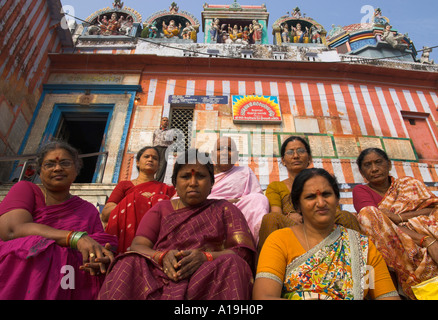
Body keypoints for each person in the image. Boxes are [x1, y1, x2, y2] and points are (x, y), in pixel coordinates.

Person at [98, 149, 256, 300]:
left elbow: (242, 253)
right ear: (174, 182)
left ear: (212, 183)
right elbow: (139, 245)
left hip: (209, 275)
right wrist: (162, 256)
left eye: (200, 176)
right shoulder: (161, 209)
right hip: (160, 273)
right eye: (186, 177)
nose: (193, 183)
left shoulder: (225, 208)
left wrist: (205, 257)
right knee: (129, 261)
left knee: (234, 263)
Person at [253, 168, 399, 300]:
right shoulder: (279, 241)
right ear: (297, 205)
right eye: (310, 197)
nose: (321, 202)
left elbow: (387, 297)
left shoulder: (362, 248)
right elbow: (264, 297)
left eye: (326, 194)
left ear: (337, 199)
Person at [0, 141, 117, 299]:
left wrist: (98, 258)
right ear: (40, 172)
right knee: (39, 247)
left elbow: (96, 244)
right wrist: (74, 238)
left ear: (76, 170)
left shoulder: (87, 209)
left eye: (65, 163)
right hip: (28, 271)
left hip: (71, 277)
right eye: (49, 164)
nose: (57, 168)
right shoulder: (26, 189)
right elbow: (12, 230)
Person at [353, 148, 438, 299]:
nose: (374, 169)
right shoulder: (361, 191)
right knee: (368, 214)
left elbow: (432, 210)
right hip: (402, 247)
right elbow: (377, 224)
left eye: (378, 162)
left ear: (389, 165)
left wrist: (399, 217)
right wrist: (426, 241)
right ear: (361, 172)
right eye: (367, 165)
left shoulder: (409, 184)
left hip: (428, 231)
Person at [258, 136, 361, 252]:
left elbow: (334, 211)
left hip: (323, 222)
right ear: (283, 160)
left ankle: (361, 260)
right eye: (290, 152)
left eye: (301, 151)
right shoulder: (276, 186)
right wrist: (289, 216)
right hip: (292, 225)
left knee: (346, 216)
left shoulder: (323, 181)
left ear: (309, 158)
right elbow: (276, 214)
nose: (296, 156)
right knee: (270, 218)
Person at [101, 146, 176, 253]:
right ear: (137, 162)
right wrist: (134, 201)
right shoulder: (124, 185)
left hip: (155, 241)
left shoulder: (167, 189)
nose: (150, 159)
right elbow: (105, 213)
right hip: (126, 235)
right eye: (146, 157)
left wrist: (154, 200)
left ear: (158, 166)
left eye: (154, 158)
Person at [208, 137, 269, 245]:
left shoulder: (245, 172)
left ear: (236, 155)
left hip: (238, 212)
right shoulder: (204, 173)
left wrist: (230, 204)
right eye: (220, 149)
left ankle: (258, 244)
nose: (224, 153)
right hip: (208, 211)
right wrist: (222, 203)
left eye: (229, 149)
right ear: (212, 154)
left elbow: (255, 199)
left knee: (259, 199)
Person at [153, 116, 174, 182]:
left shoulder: (170, 132)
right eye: (164, 120)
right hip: (156, 148)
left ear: (168, 123)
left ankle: (159, 181)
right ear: (161, 122)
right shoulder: (156, 131)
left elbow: (171, 142)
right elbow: (153, 140)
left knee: (162, 165)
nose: (165, 122)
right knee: (154, 164)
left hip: (164, 149)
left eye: (167, 121)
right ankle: (152, 180)